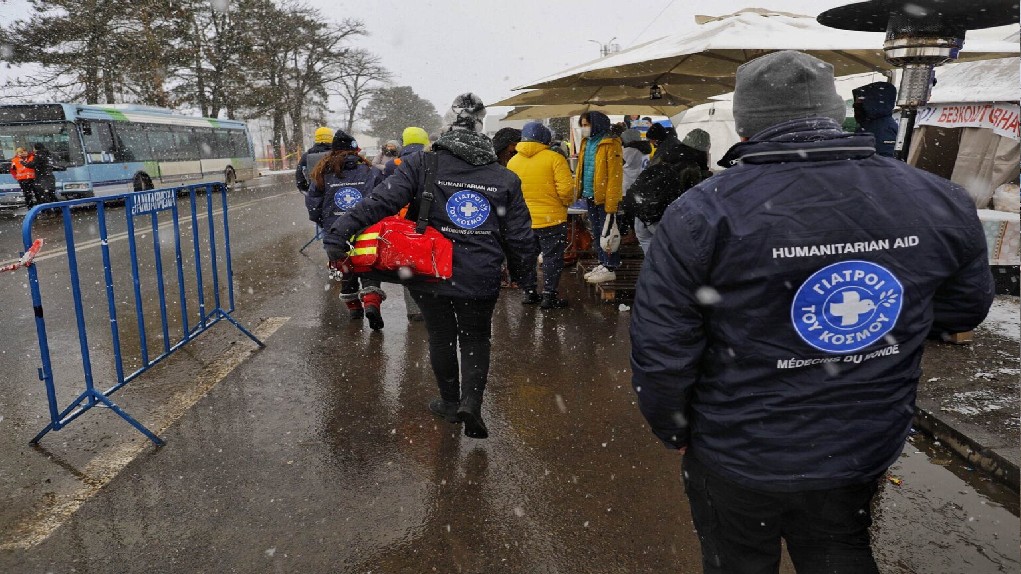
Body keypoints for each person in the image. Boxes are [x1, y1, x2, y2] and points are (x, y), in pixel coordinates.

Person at [629, 50, 994, 574]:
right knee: (839, 550)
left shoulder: (703, 212)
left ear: (745, 122)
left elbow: (662, 348)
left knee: (736, 561)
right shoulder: (937, 198)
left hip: (739, 447)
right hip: (861, 440)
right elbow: (964, 309)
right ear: (832, 111)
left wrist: (677, 430)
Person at [324, 92, 536, 439]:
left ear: (450, 126)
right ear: (482, 129)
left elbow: (381, 202)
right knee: (477, 337)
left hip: (430, 267)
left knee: (440, 334)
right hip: (480, 272)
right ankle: (472, 403)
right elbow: (519, 235)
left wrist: (340, 231)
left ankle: (450, 402)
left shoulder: (425, 164)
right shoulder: (503, 176)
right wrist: (526, 277)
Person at [306, 130, 387, 330]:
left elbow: (313, 206)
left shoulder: (322, 172)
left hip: (335, 230)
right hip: (366, 228)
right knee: (369, 265)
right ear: (355, 150)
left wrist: (325, 223)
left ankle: (354, 310)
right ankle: (371, 303)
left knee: (345, 268)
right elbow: (382, 199)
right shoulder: (371, 171)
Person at [507, 121, 574, 309]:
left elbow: (510, 192)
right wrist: (564, 202)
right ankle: (549, 296)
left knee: (527, 257)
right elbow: (566, 189)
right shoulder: (554, 158)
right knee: (552, 257)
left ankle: (529, 292)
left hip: (524, 220)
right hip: (551, 219)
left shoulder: (513, 161)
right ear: (545, 138)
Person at [629, 128, 711, 254]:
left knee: (650, 247)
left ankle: (654, 269)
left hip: (643, 211)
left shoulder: (667, 154)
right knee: (672, 253)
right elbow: (692, 198)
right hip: (661, 216)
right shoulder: (693, 166)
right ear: (705, 148)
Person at [382, 126, 432, 322]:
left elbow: (385, 193)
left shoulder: (393, 165)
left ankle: (413, 308)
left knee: (407, 262)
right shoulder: (434, 161)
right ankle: (432, 304)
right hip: (428, 218)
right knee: (429, 259)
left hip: (402, 220)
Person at [575, 111, 624, 284]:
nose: (583, 128)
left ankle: (610, 266)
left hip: (604, 197)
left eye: (586, 124)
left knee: (607, 233)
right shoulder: (586, 142)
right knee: (597, 232)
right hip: (590, 195)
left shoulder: (611, 143)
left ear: (597, 124)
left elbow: (615, 176)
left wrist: (612, 203)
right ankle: (603, 262)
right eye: (582, 125)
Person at [853, 81, 899, 158]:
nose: (855, 105)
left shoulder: (885, 129)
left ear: (871, 102)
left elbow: (885, 161)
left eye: (860, 101)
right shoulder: (867, 125)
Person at [296, 126, 333, 194]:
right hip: (334, 194)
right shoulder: (337, 155)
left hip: (314, 195)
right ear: (331, 138)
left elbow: (300, 177)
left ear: (316, 138)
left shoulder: (306, 156)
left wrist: (309, 190)